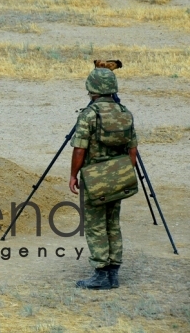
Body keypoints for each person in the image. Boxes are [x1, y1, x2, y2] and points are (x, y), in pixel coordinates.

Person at [69, 68, 138, 289]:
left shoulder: (89, 115)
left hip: (94, 179)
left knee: (95, 225)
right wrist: (124, 175)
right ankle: (113, 272)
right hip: (118, 177)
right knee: (112, 223)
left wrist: (73, 175)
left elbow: (79, 150)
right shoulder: (125, 112)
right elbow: (133, 151)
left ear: (92, 89)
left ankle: (101, 272)